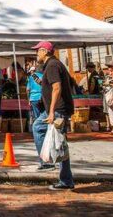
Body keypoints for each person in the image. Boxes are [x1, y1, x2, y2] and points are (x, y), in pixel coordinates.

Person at [31, 41, 75, 189]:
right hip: (58, 108)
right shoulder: (55, 64)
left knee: (40, 129)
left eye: (38, 51)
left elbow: (57, 88)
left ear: (44, 51)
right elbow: (70, 81)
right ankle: (65, 179)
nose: (36, 54)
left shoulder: (52, 65)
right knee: (60, 143)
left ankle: (48, 163)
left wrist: (51, 111)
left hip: (57, 110)